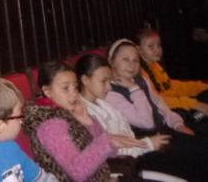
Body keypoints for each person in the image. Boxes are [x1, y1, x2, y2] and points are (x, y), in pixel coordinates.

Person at [105, 38, 208, 181]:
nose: (132, 65)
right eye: (125, 59)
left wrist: (178, 124)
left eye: (136, 60)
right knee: (200, 154)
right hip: (146, 145)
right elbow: (146, 123)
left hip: (164, 131)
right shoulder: (110, 92)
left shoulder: (142, 79)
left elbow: (160, 104)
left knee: (202, 141)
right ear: (111, 62)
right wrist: (134, 89)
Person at [76, 54, 187, 182]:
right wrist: (148, 144)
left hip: (136, 153)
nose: (109, 87)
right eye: (103, 81)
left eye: (109, 81)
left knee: (182, 151)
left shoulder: (103, 103)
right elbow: (110, 150)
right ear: (85, 80)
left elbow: (127, 132)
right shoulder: (84, 113)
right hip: (122, 165)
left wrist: (146, 143)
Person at [24, 61, 140, 181]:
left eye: (75, 87)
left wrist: (87, 120)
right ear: (47, 91)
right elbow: (77, 172)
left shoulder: (66, 113)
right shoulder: (51, 125)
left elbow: (101, 152)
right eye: (66, 88)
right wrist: (107, 142)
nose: (74, 93)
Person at [136, 28, 208, 115]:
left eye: (158, 45)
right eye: (151, 46)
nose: (157, 50)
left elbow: (171, 87)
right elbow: (158, 100)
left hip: (173, 105)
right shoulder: (141, 74)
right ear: (139, 50)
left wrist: (201, 86)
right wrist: (194, 104)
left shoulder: (155, 65)